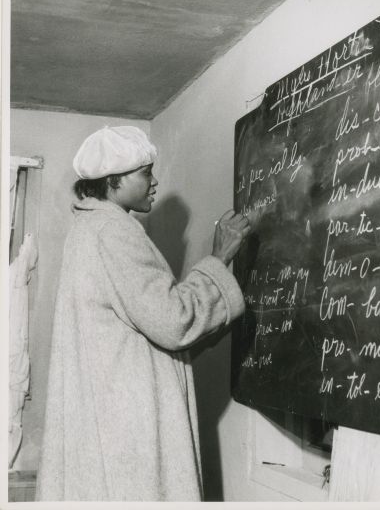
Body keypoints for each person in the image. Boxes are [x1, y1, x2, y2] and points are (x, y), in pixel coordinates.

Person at [35, 125, 250, 501]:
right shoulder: (112, 232)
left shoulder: (89, 228)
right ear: (115, 180)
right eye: (146, 173)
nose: (154, 182)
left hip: (109, 420)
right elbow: (171, 321)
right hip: (126, 427)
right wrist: (219, 259)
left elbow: (146, 323)